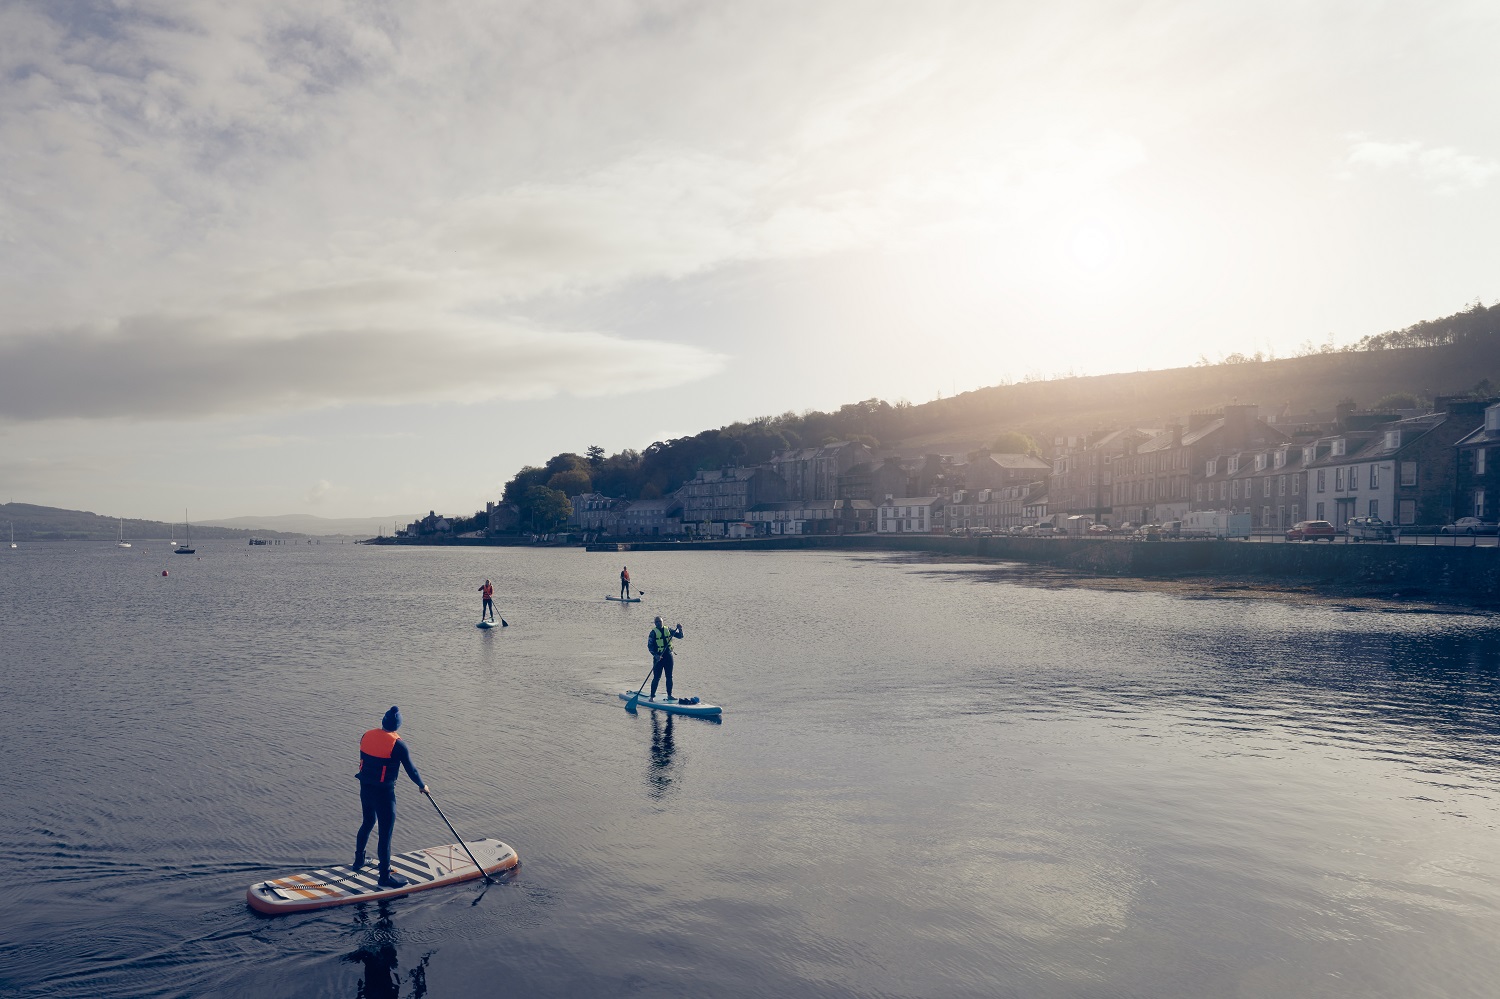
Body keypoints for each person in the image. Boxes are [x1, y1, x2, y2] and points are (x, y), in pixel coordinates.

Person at [354, 706, 428, 888]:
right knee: (385, 834)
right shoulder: (398, 745)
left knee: (368, 822)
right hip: (384, 793)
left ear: (383, 721)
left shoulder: (366, 735)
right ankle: (384, 876)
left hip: (365, 788)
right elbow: (412, 769)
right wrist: (422, 785)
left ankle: (358, 862)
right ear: (397, 725)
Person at [647, 616, 685, 699]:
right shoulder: (653, 633)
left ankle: (669, 695)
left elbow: (680, 636)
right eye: (656, 622)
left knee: (669, 676)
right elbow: (650, 646)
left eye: (660, 621)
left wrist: (680, 629)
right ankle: (652, 696)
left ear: (662, 622)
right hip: (658, 658)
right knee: (656, 677)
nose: (658, 623)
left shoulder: (668, 629)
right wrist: (656, 655)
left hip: (668, 656)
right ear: (655, 623)